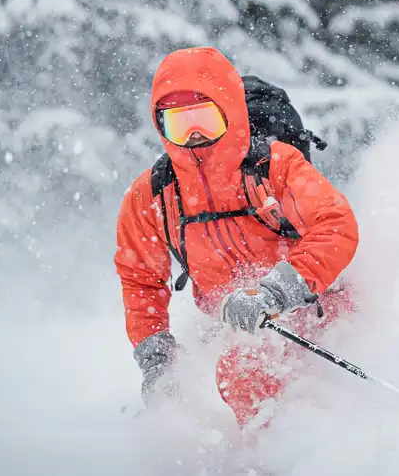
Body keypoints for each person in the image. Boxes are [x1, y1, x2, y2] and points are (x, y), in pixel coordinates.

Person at [115, 47, 359, 426]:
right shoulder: (153, 194)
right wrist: (157, 363)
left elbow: (336, 224)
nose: (194, 138)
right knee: (243, 376)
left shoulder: (275, 165)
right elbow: (141, 280)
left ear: (230, 112)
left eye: (205, 122)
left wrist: (273, 292)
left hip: (316, 306)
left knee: (247, 374)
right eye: (179, 126)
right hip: (236, 325)